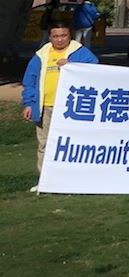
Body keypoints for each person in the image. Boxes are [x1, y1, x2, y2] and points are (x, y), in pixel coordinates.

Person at [21, 23, 99, 189]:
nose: (60, 39)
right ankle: (44, 181)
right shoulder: (41, 56)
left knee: (72, 142)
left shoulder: (80, 52)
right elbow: (30, 82)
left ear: (70, 36)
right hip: (45, 107)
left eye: (63, 35)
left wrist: (72, 64)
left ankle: (72, 179)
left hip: (71, 108)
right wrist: (28, 104)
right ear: (50, 37)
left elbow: (95, 69)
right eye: (56, 36)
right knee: (44, 144)